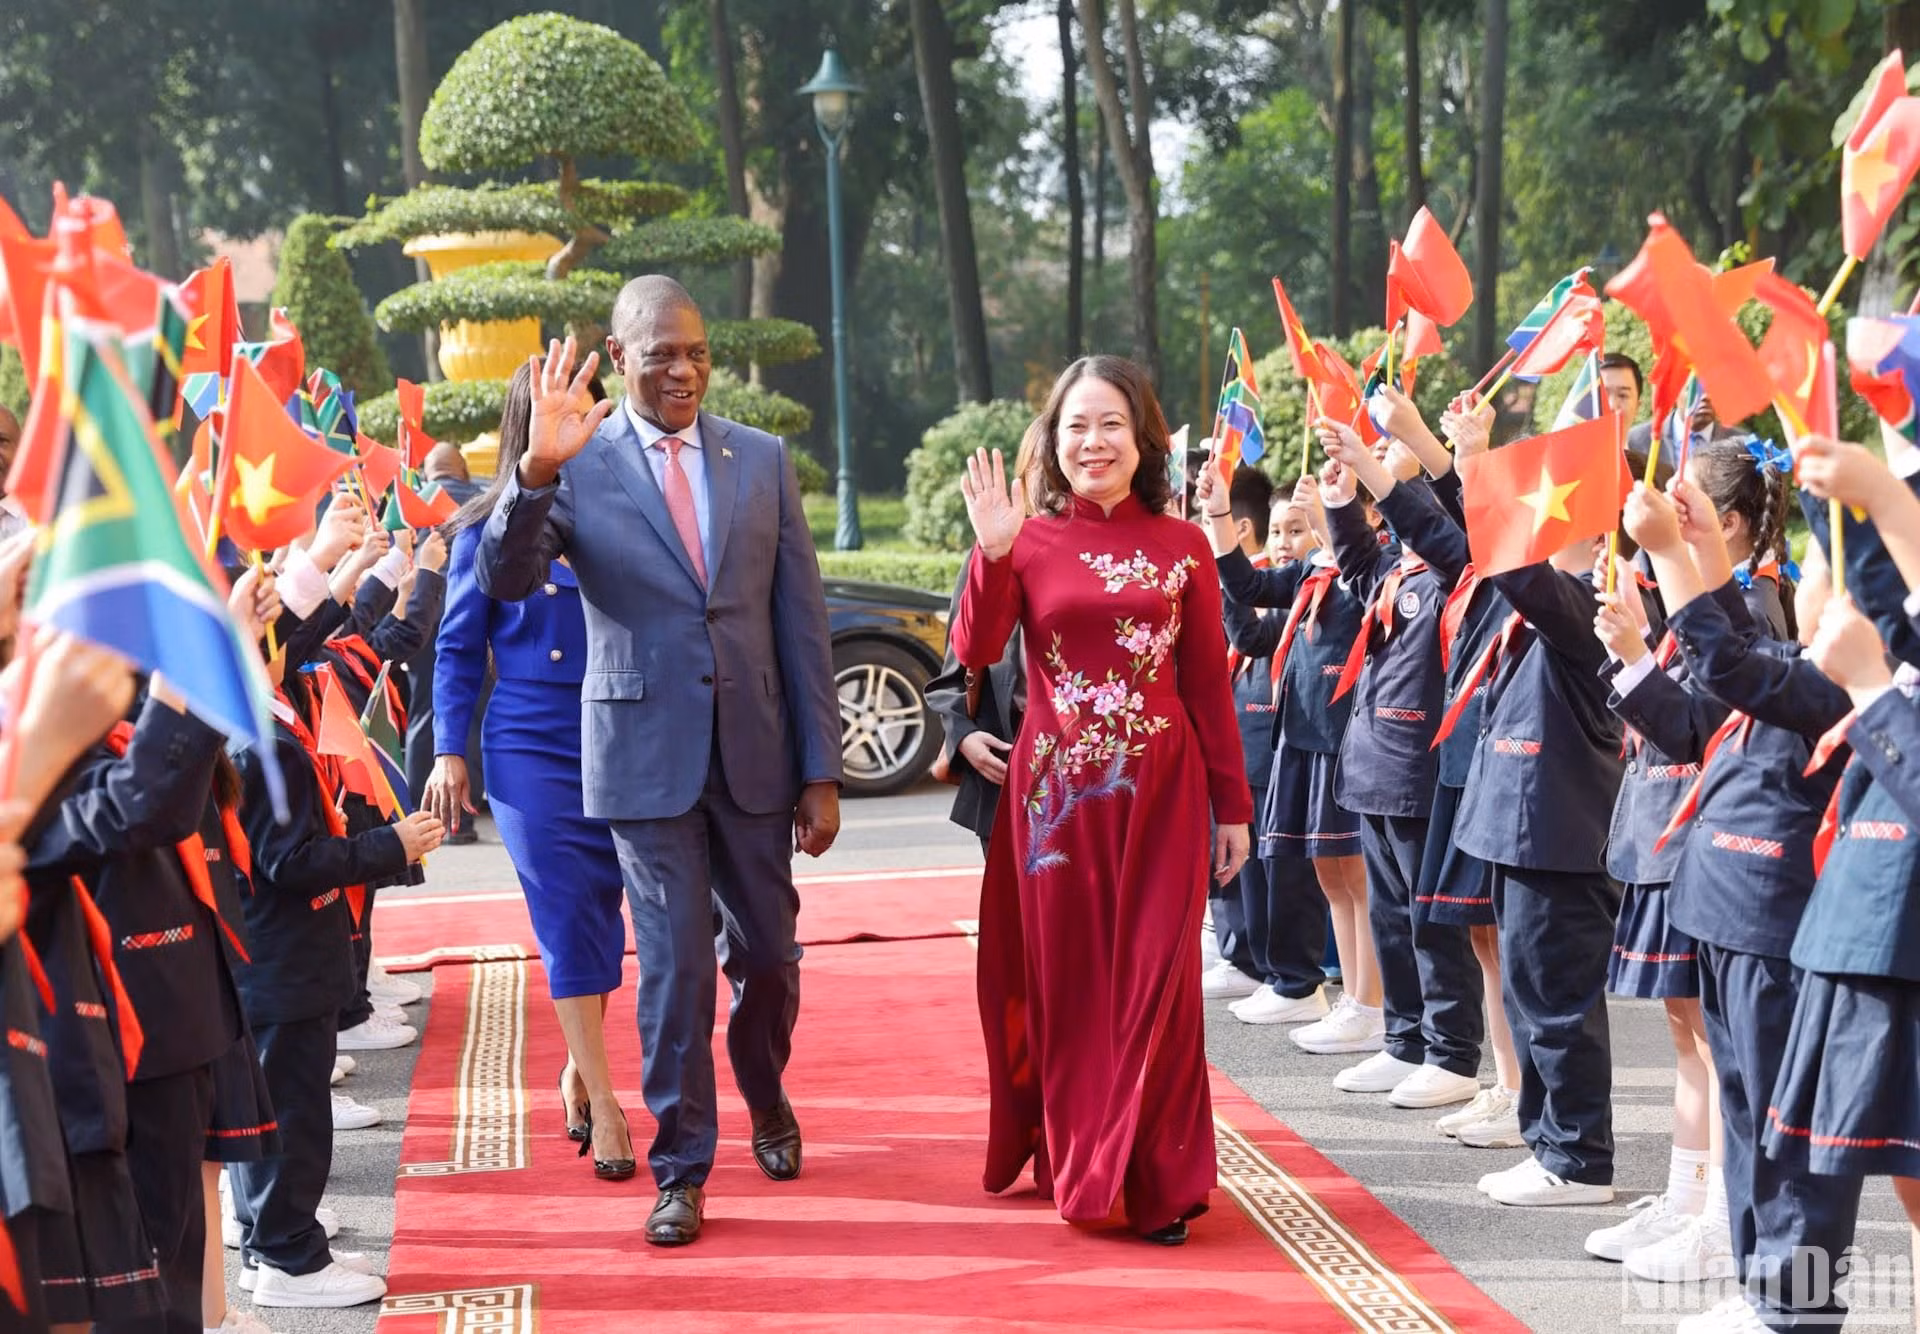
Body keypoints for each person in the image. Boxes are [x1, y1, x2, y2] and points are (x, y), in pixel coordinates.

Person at [474, 278, 842, 1249]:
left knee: (768, 957)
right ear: (619, 352)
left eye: (698, 353)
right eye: (661, 353)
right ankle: (682, 1165)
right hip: (640, 760)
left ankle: (764, 1087)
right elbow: (505, 577)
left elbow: (799, 623)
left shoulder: (759, 459)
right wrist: (534, 473)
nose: (682, 369)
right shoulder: (579, 464)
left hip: (757, 755)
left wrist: (822, 770)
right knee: (673, 966)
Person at [952, 355, 1252, 1245]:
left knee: (1160, 988)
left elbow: (1206, 686)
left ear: (1143, 439)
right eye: (1076, 426)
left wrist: (1230, 807)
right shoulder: (1028, 542)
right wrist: (992, 550)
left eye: (1111, 424)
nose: (1094, 442)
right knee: (1076, 987)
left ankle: (1158, 1180)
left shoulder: (1185, 546)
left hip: (1161, 795)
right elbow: (976, 644)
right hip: (1058, 806)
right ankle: (1085, 1157)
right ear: (1054, 441)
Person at [426, 363, 634, 1178]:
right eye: (564, 414)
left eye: (590, 411)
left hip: (621, 735)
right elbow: (456, 647)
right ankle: (611, 1105)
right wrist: (449, 749)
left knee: (609, 915)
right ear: (531, 422)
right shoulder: (487, 524)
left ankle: (581, 1066)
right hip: (531, 742)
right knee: (564, 911)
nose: (583, 426)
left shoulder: (623, 511)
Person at [405, 442, 489, 831]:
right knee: (471, 713)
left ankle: (422, 812)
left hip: (421, 618)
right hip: (476, 618)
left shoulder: (408, 505)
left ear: (427, 472)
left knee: (424, 711)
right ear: (463, 471)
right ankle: (466, 812)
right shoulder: (484, 500)